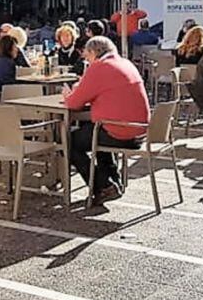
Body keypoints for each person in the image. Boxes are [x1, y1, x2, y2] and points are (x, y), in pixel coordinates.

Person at [63, 36, 150, 204]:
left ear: (94, 52)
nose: (86, 60)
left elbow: (74, 103)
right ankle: (112, 182)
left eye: (87, 56)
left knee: (67, 142)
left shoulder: (99, 68)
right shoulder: (125, 63)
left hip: (120, 131)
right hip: (139, 130)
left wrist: (68, 95)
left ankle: (103, 186)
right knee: (95, 131)